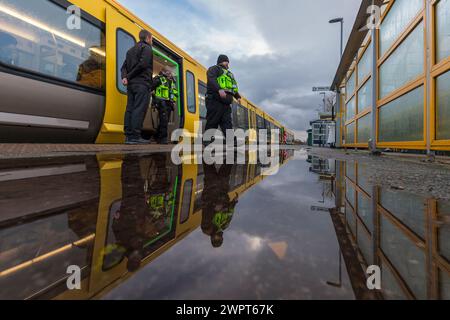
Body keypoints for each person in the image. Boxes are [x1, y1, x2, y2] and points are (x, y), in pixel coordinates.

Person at [121, 29, 154, 145]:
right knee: (139, 109)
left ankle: (128, 135)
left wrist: (125, 77)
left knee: (130, 108)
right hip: (142, 83)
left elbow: (123, 67)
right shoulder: (147, 48)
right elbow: (143, 64)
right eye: (152, 39)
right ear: (148, 38)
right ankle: (135, 136)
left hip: (131, 85)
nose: (152, 41)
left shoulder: (130, 51)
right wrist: (129, 76)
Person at [201, 162, 238, 248]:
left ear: (212, 239)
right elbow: (230, 212)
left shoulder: (207, 228)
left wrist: (215, 207)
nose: (218, 237)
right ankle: (234, 149)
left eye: (216, 239)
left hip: (211, 189)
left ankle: (206, 148)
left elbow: (206, 209)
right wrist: (233, 202)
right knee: (229, 163)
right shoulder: (225, 225)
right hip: (222, 188)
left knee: (207, 162)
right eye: (219, 239)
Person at [205, 54, 241, 140]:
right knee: (213, 121)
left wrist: (237, 96)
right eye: (226, 61)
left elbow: (232, 87)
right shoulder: (214, 69)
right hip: (215, 100)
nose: (227, 63)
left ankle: (231, 140)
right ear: (221, 61)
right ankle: (207, 140)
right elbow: (211, 80)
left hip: (226, 103)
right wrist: (219, 89)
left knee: (227, 122)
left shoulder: (229, 74)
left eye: (228, 62)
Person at [151, 66, 178, 144]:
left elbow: (175, 93)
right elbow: (151, 87)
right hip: (161, 102)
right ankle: (163, 138)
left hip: (169, 104)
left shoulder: (172, 82)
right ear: (163, 72)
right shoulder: (159, 78)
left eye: (171, 72)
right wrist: (154, 98)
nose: (170, 74)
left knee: (165, 121)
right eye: (168, 72)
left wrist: (174, 101)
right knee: (164, 120)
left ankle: (157, 137)